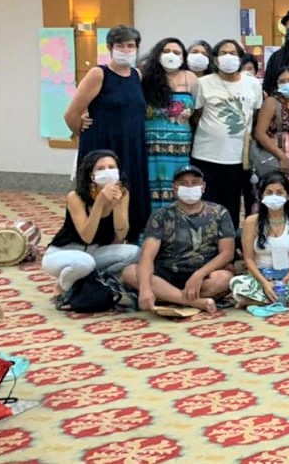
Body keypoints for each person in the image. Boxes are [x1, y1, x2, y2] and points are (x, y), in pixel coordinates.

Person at [65, 25, 150, 236]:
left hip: (131, 146)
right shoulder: (98, 74)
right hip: (103, 146)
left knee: (129, 192)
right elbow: (71, 114)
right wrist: (84, 131)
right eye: (120, 45)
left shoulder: (137, 75)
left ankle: (128, 236)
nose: (126, 50)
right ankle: (92, 235)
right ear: (110, 48)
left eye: (130, 45)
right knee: (99, 192)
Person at [121, 165, 236, 313]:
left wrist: (199, 275)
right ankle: (192, 301)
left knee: (224, 278)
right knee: (130, 272)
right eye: (184, 183)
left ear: (203, 186)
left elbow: (227, 253)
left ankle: (167, 296)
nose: (190, 187)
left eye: (194, 183)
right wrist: (145, 288)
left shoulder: (219, 212)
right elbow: (147, 255)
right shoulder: (161, 215)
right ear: (175, 188)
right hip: (166, 274)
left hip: (203, 276)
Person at [42, 151, 140, 299]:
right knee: (85, 263)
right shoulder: (76, 197)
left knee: (135, 252)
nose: (107, 171)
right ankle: (64, 286)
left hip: (94, 252)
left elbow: (121, 235)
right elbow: (87, 237)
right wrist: (99, 203)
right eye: (100, 168)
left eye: (111, 167)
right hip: (64, 252)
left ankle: (95, 280)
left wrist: (117, 205)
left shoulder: (123, 193)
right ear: (91, 175)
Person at [190, 39, 264, 229]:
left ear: (240, 58)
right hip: (206, 155)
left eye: (233, 53)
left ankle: (229, 242)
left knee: (231, 205)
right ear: (215, 59)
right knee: (205, 204)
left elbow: (255, 114)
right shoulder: (203, 83)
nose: (228, 57)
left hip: (238, 158)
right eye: (223, 53)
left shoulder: (253, 84)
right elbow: (196, 114)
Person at [230, 173, 289, 308]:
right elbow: (248, 259)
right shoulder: (251, 221)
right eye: (269, 192)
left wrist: (285, 281)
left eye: (279, 193)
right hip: (260, 277)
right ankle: (282, 300)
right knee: (237, 283)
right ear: (261, 196)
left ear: (288, 196)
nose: (274, 196)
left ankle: (260, 300)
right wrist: (265, 283)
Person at [141, 38, 197, 211]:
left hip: (181, 146)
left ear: (183, 57)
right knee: (150, 184)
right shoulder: (144, 77)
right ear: (157, 54)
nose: (171, 55)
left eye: (176, 52)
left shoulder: (191, 78)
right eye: (166, 51)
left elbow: (199, 110)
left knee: (179, 183)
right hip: (151, 145)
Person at [254, 66, 289, 187]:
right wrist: (282, 157)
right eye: (282, 81)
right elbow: (260, 133)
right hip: (276, 159)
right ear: (277, 84)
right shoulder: (272, 103)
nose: (287, 84)